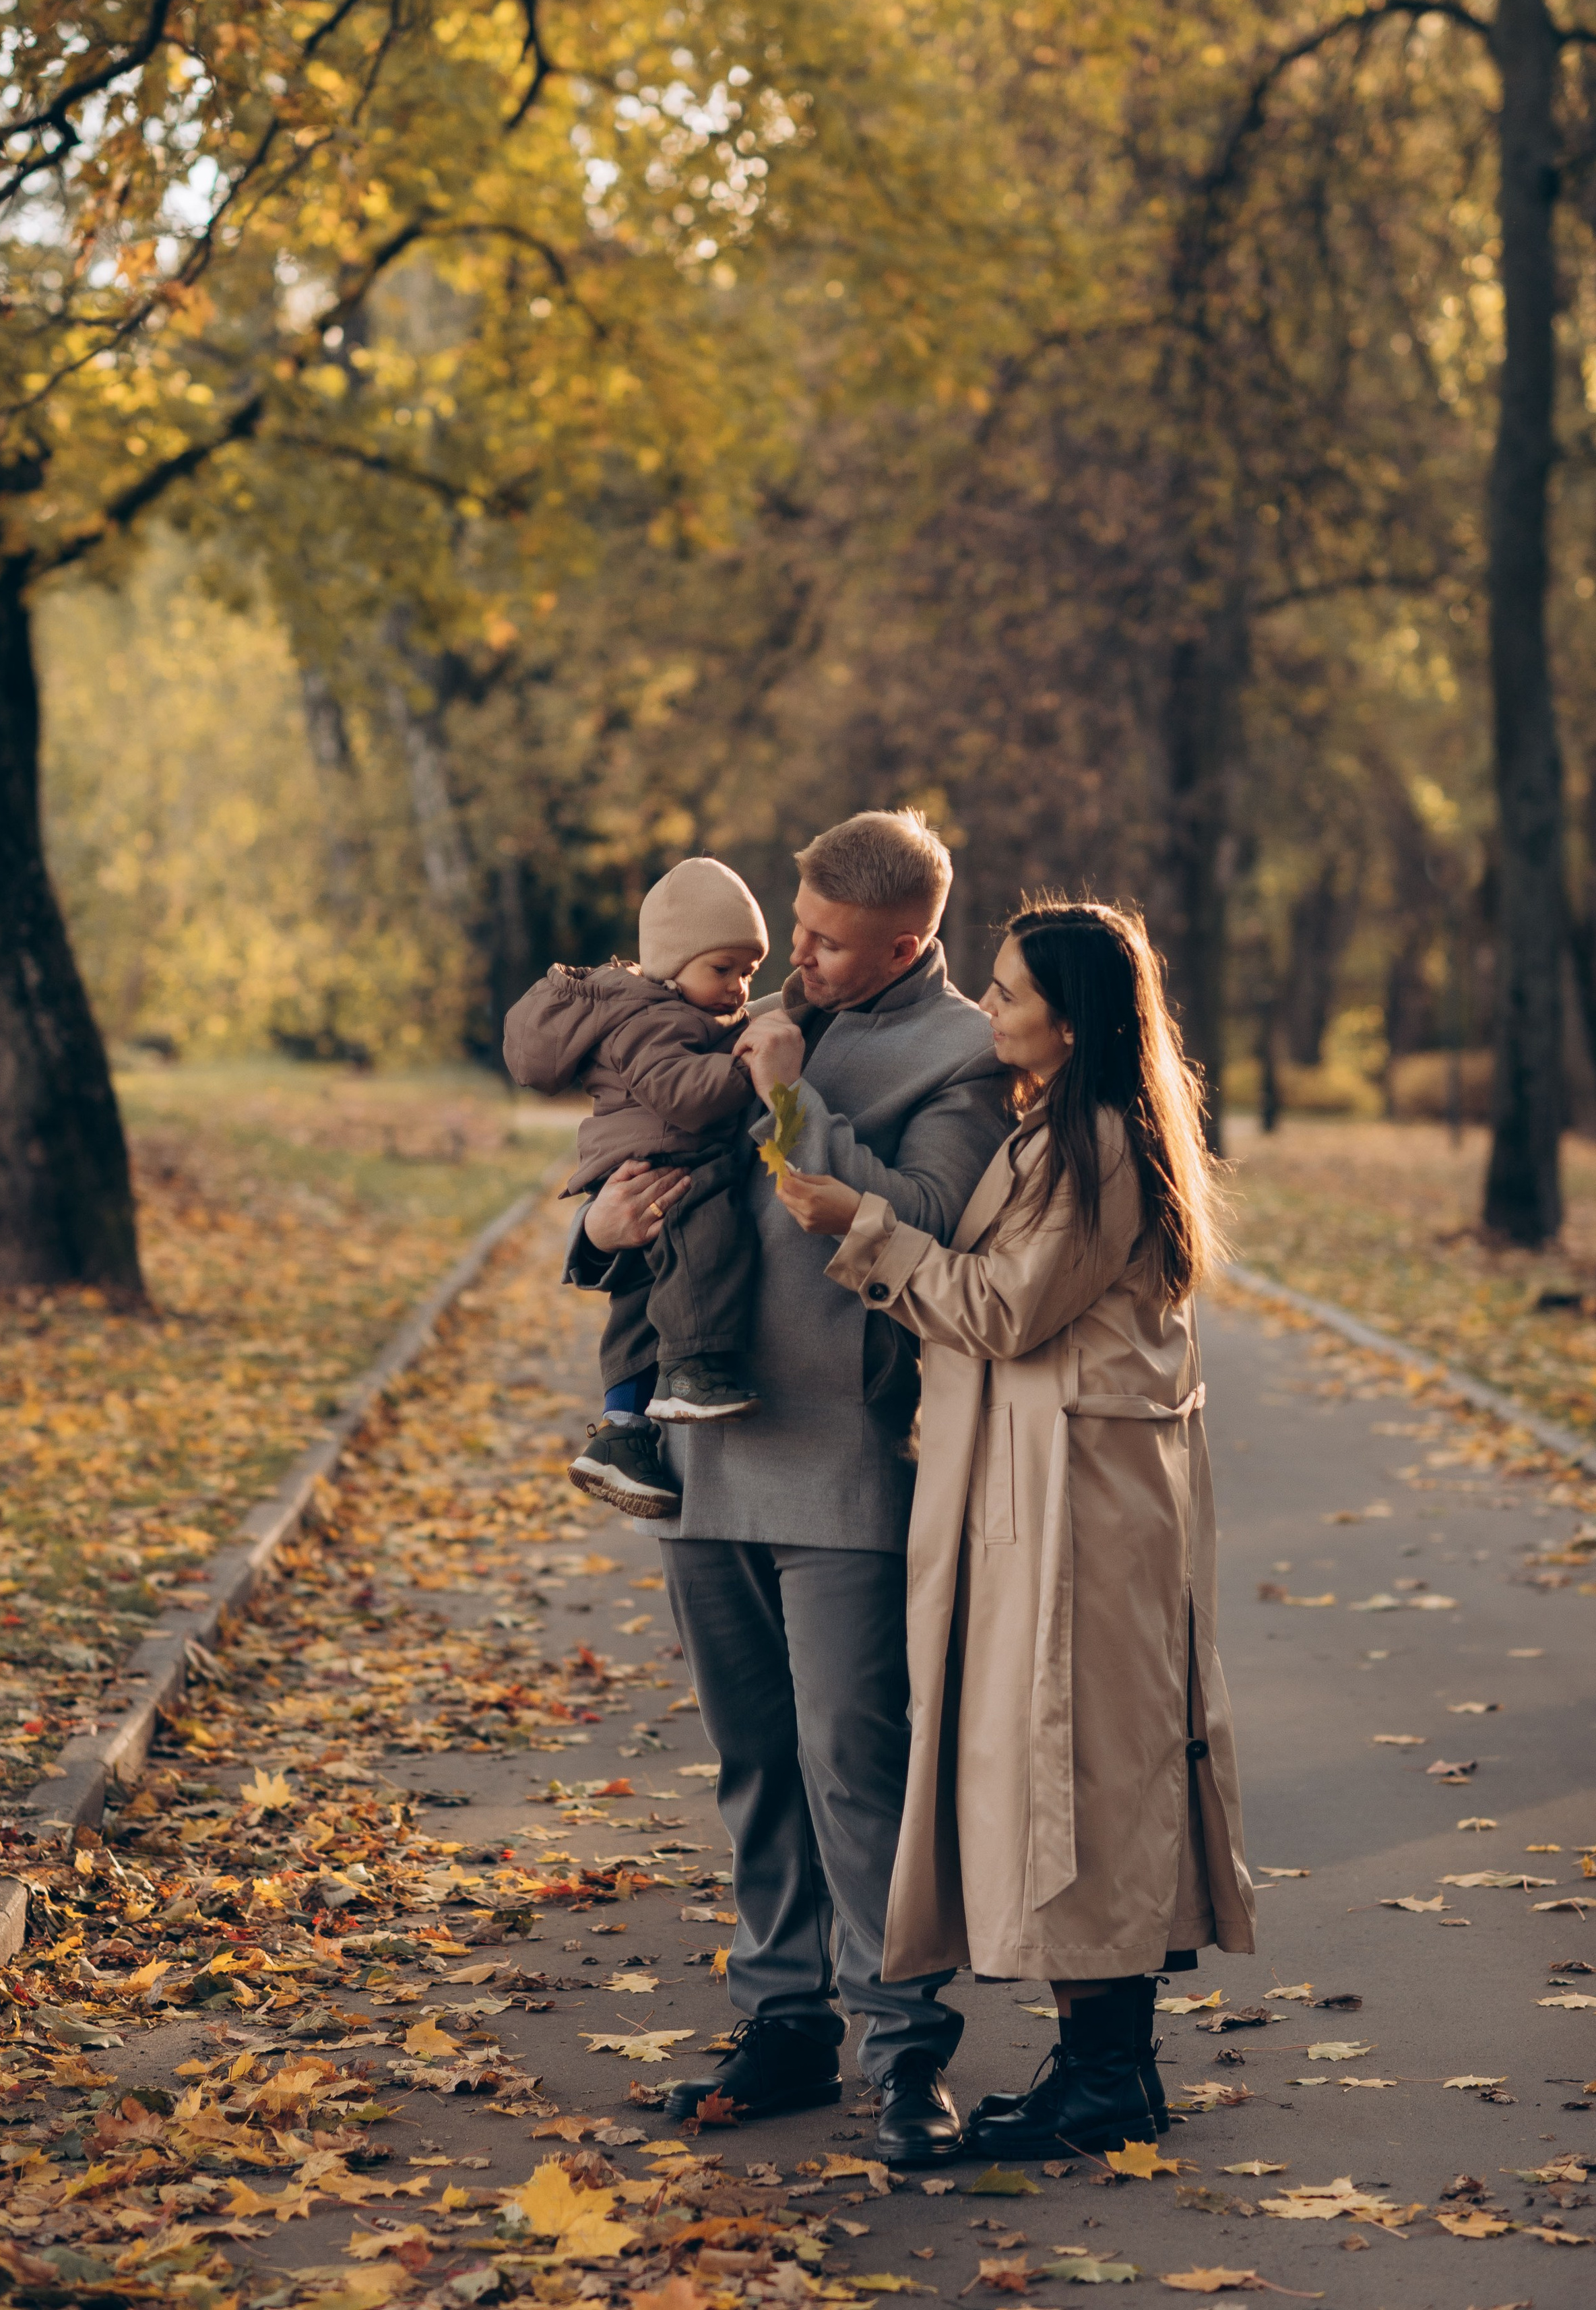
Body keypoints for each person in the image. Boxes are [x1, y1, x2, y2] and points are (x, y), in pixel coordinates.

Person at [565, 810, 1013, 2165]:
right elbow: (644, 1157)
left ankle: (903, 2045)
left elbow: (926, 1219)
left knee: (852, 1760)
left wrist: (794, 1097)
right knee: (754, 1759)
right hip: (702, 1451)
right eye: (795, 931)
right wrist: (595, 1231)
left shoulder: (960, 1055)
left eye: (825, 944)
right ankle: (783, 2021)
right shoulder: (742, 1016)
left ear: (907, 945)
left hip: (845, 1456)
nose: (796, 961)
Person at [776, 898, 1256, 2160]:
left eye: (1007, 991)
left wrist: (861, 1228)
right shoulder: (1069, 1127)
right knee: (1071, 1767)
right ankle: (1106, 2070)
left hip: (1078, 1505)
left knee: (1077, 1769)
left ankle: (1105, 2078)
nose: (986, 1006)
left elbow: (1004, 1308)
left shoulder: (1095, 1141)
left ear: (1072, 1018)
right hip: (1057, 1489)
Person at [503, 858, 771, 1505]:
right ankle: (694, 1369)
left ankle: (620, 1433)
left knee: (641, 1307)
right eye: (723, 969)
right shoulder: (654, 1019)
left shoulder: (667, 1010)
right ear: (672, 964)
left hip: (649, 1159)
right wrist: (753, 1071)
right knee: (708, 1240)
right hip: (665, 1161)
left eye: (749, 972)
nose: (739, 988)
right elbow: (682, 1094)